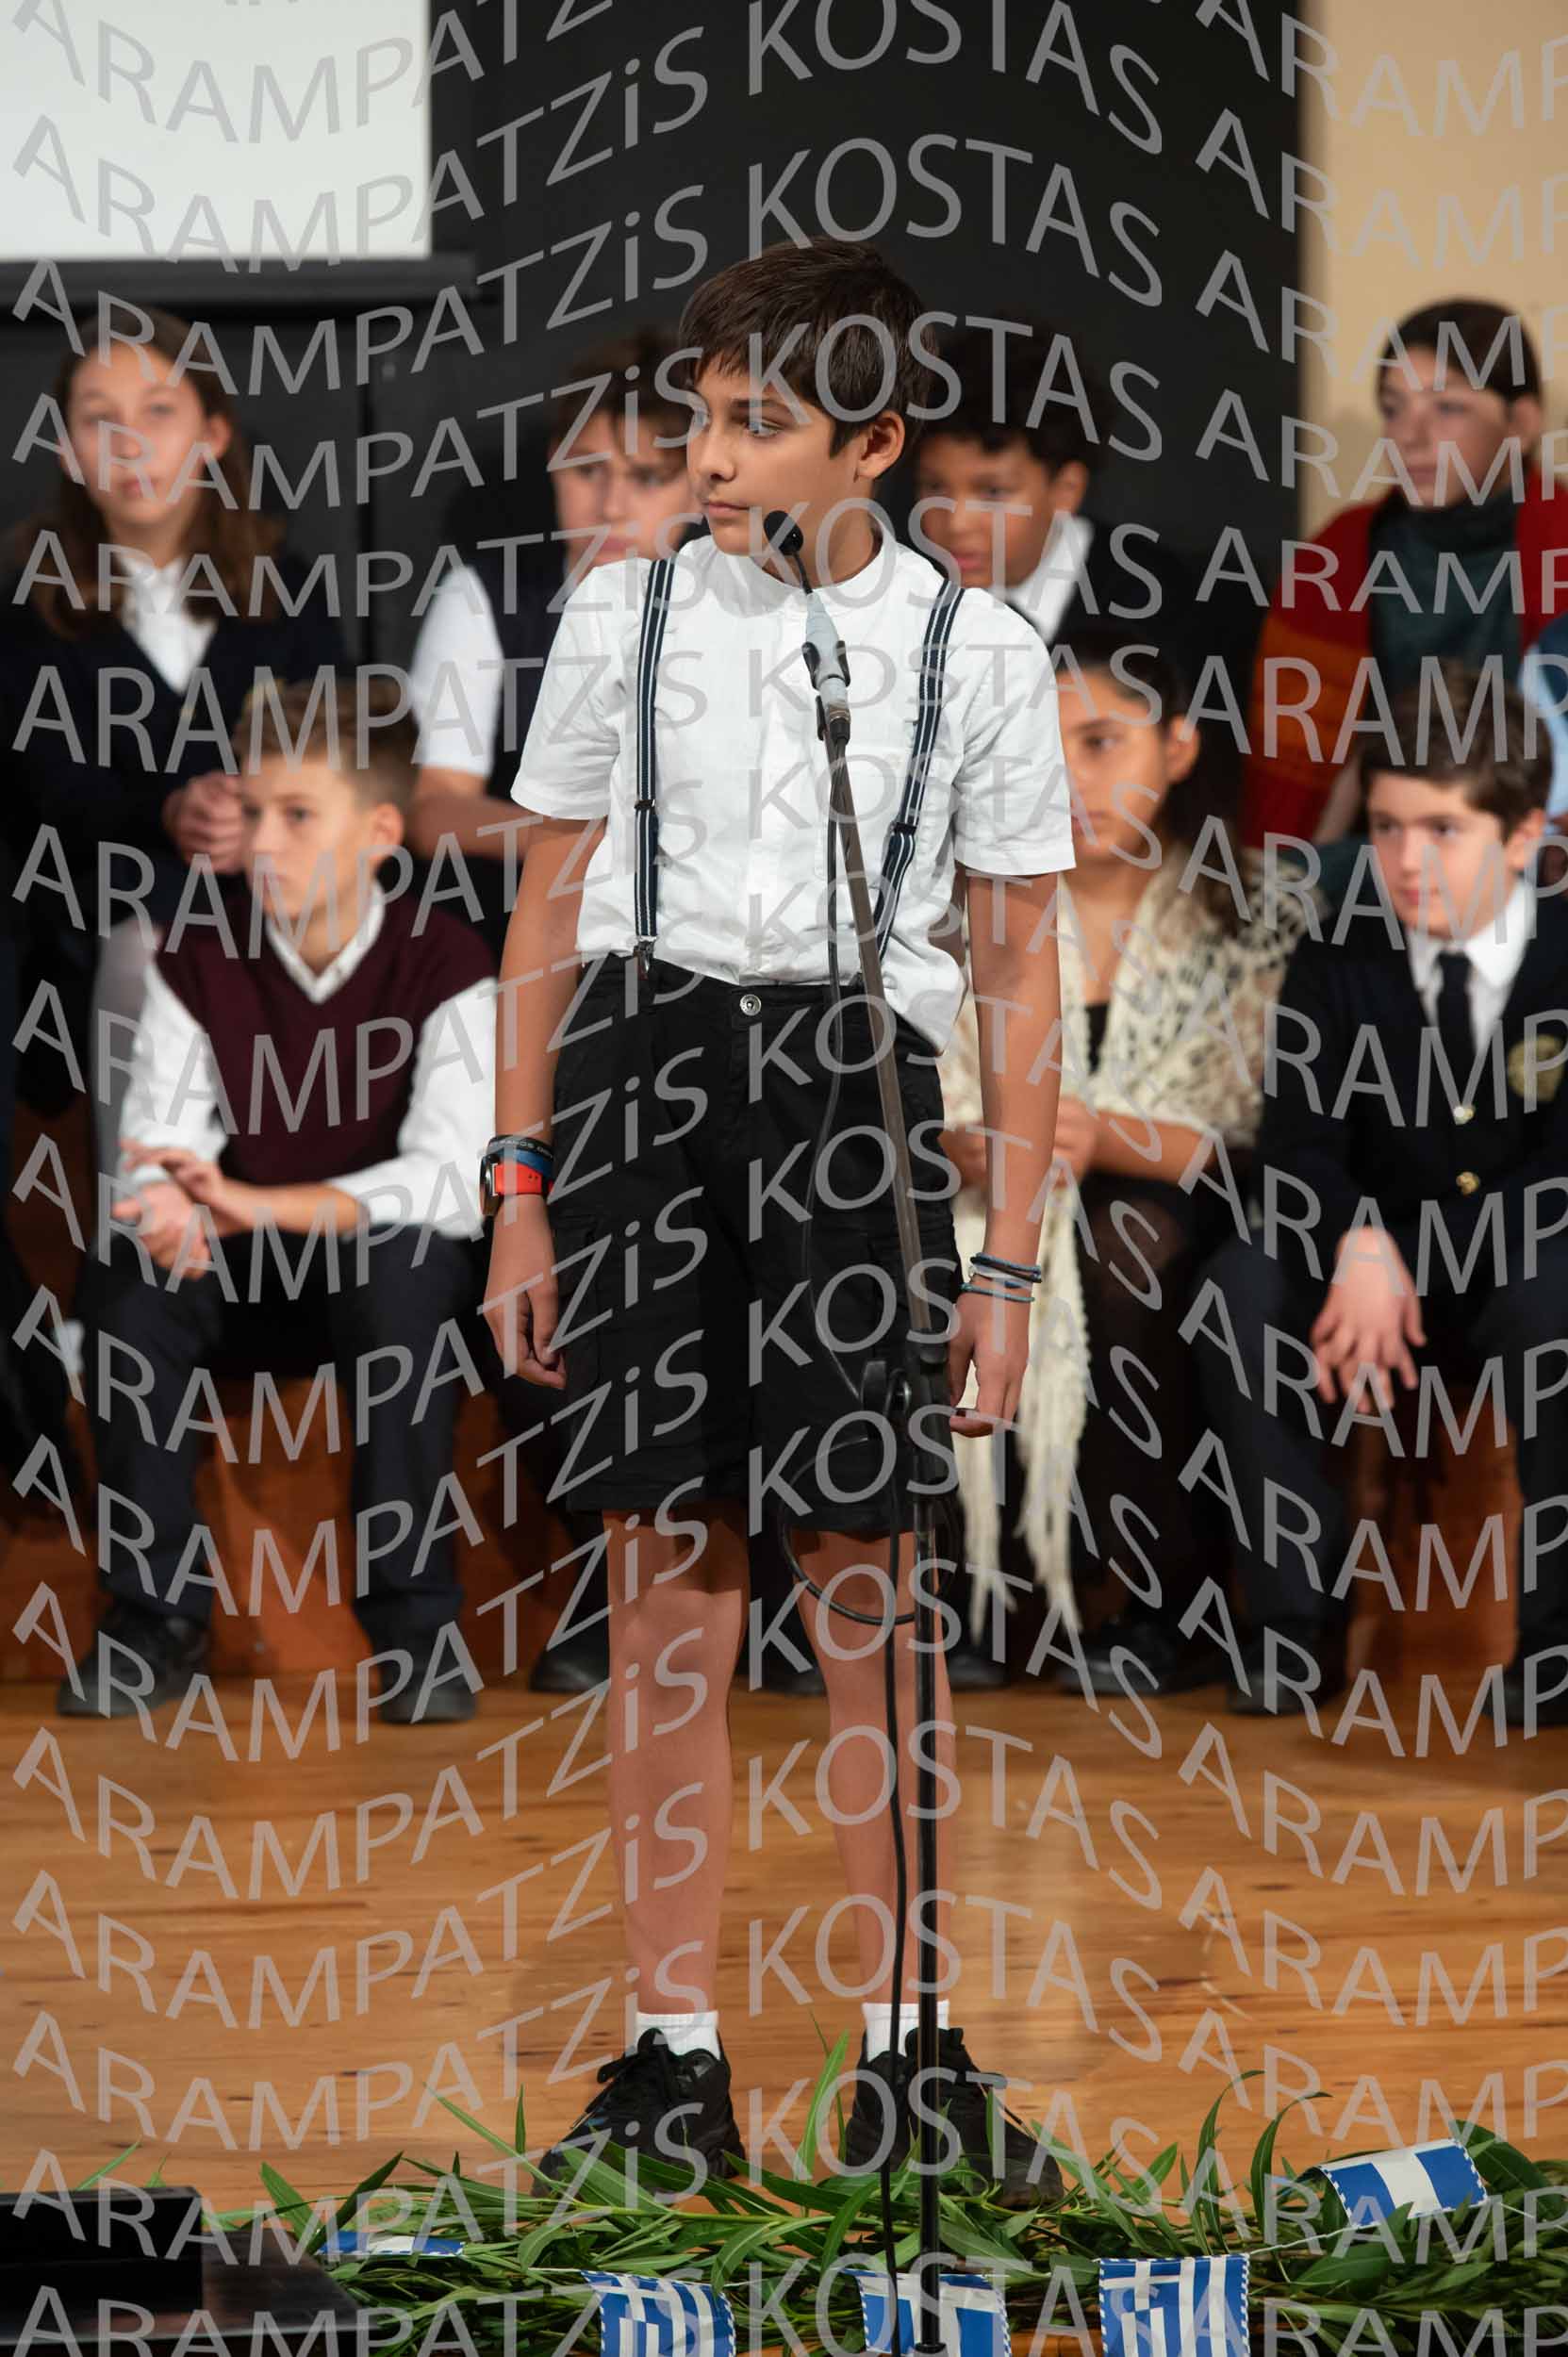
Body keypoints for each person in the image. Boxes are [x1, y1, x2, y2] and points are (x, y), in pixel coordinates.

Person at [484, 236, 1073, 2200]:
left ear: (874, 442)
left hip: (855, 1084)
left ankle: (911, 2047)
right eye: (701, 421)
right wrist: (519, 1183)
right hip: (646, 1078)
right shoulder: (624, 612)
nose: (710, 460)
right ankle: (673, 2059)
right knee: (668, 1581)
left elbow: (1015, 966)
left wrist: (1006, 1259)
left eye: (756, 425)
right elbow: (545, 904)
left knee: (868, 1580)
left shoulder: (978, 651)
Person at [62, 678, 497, 1725]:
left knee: (405, 1270)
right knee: (130, 1276)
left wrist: (265, 1205)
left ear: (380, 833)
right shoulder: (197, 955)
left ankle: (415, 1626)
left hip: (378, 1272)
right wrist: (171, 1203)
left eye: (298, 815)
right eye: (252, 812)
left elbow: (447, 1179)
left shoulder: (444, 957)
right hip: (246, 1276)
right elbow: (162, 1142)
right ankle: (153, 1617)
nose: (261, 842)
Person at [940, 626, 1310, 1693]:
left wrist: (1103, 1137)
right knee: (948, 1248)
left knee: (1125, 1248)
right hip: (999, 1189)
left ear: (1179, 747)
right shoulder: (976, 906)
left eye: (1100, 743)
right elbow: (922, 1092)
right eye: (1041, 749)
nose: (1069, 780)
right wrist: (973, 1140)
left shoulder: (1254, 908)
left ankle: (1161, 1604)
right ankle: (977, 1594)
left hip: (1198, 1196)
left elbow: (1266, 1133)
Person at [1198, 662, 1568, 1725]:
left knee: (1555, 1308)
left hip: (1519, 1256)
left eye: (1442, 830)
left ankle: (1550, 1647)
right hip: (1358, 1260)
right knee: (1239, 1289)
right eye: (1387, 826)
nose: (1405, 860)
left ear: (1521, 834)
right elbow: (1296, 1144)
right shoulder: (1336, 950)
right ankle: (1288, 1627)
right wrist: (1358, 1239)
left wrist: (1414, 1249)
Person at [0, 307, 346, 1175]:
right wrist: (170, 811)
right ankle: (139, 1231)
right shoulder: (26, 601)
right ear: (68, 451)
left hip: (274, 895)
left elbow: (335, 754)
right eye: (99, 419)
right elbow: (44, 788)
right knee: (149, 941)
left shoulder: (288, 588)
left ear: (213, 435)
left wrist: (250, 816)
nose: (130, 444)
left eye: (158, 411)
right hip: (89, 913)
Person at [404, 327, 697, 966]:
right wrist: (603, 845)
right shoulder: (486, 595)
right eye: (587, 470)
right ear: (553, 464)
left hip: (695, 944)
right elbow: (436, 810)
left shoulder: (737, 605)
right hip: (516, 931)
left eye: (648, 477)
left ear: (698, 488)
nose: (611, 505)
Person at [1242, 298, 1565, 855]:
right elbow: (1305, 796)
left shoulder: (1558, 540)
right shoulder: (1339, 553)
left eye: (1447, 407)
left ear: (1521, 424)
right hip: (1372, 855)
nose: (1409, 436)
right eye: (1393, 409)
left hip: (1528, 856)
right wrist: (1297, 883)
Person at [910, 319, 1198, 675]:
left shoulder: (1161, 607)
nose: (956, 523)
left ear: (1066, 490)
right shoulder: (906, 593)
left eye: (993, 492)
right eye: (934, 487)